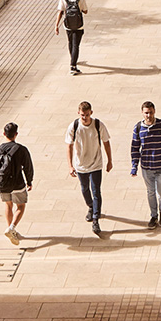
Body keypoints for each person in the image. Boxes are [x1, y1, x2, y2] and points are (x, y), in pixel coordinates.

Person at [65, 101, 112, 237]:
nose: (84, 117)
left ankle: (96, 219)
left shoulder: (98, 125)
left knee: (96, 190)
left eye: (86, 115)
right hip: (81, 165)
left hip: (96, 164)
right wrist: (70, 165)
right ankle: (91, 206)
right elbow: (69, 146)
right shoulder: (74, 127)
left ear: (91, 113)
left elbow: (106, 142)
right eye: (82, 115)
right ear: (78, 114)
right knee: (84, 188)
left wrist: (109, 161)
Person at [130, 100, 161, 228]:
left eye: (150, 112)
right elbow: (135, 148)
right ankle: (153, 215)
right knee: (150, 192)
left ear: (154, 112)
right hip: (147, 168)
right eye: (146, 113)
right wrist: (134, 166)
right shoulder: (138, 128)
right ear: (142, 113)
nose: (148, 115)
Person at [0, 121, 34, 245]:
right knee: (21, 206)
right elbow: (28, 167)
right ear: (16, 134)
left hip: (2, 184)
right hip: (17, 184)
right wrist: (29, 181)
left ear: (4, 133)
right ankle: (11, 228)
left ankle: (11, 229)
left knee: (8, 205)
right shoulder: (21, 149)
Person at [55, 0, 88, 75]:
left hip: (68, 25)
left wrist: (56, 25)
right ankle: (73, 66)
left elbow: (60, 12)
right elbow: (85, 11)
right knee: (76, 45)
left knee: (70, 42)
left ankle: (73, 59)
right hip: (78, 25)